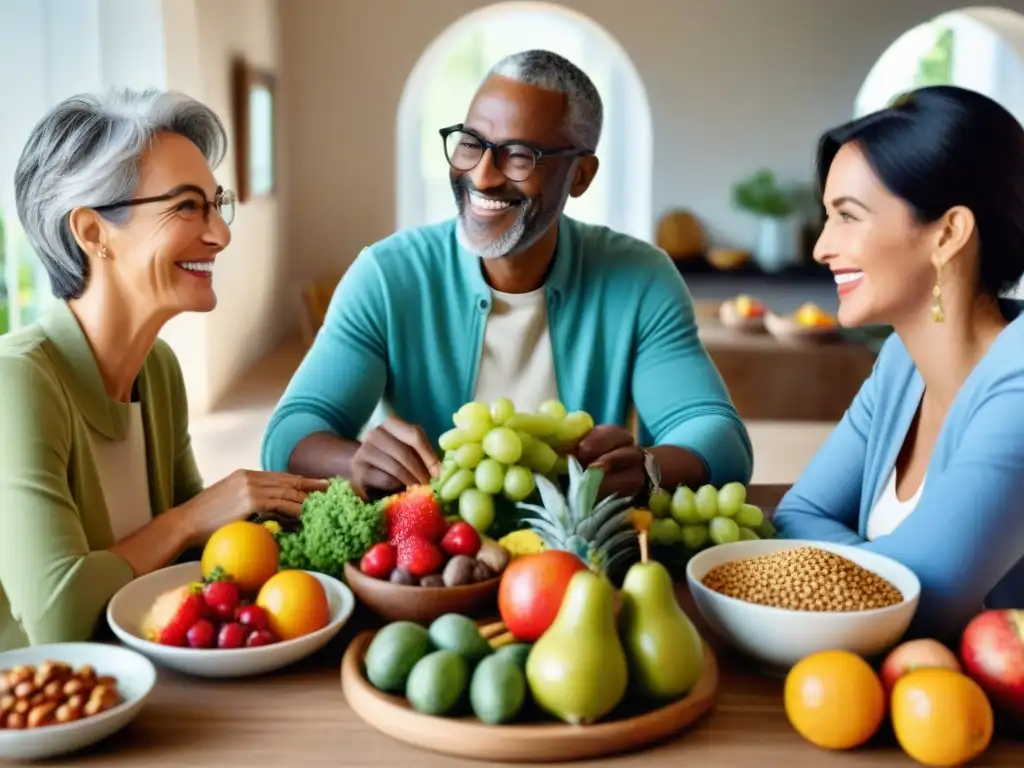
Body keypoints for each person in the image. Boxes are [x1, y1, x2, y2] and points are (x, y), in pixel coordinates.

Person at [261, 49, 752, 502]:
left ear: (579, 176)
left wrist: (649, 468)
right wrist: (356, 460)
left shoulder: (641, 278)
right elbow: (289, 434)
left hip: (583, 562)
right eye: (471, 143)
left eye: (519, 155)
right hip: (430, 562)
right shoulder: (388, 276)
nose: (482, 175)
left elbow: (718, 437)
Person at [0, 89, 326, 651]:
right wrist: (190, 517)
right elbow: (57, 618)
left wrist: (308, 512)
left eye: (214, 204)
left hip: (142, 686)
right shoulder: (18, 383)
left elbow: (196, 557)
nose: (220, 234)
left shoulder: (157, 369)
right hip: (43, 713)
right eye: (185, 206)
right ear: (93, 232)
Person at [772, 85, 1024, 643]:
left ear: (948, 233)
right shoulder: (900, 363)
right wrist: (892, 567)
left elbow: (921, 599)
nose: (821, 248)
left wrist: (887, 572)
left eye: (848, 217)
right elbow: (797, 515)